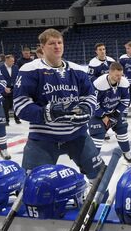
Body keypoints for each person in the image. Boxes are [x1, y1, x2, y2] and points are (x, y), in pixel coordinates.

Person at [13, 28, 103, 180]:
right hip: (43, 138)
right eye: (52, 43)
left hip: (77, 134)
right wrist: (48, 113)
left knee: (99, 176)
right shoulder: (30, 69)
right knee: (32, 184)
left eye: (60, 42)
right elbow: (20, 105)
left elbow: (90, 96)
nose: (57, 46)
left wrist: (86, 109)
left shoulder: (77, 69)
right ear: (42, 47)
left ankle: (97, 203)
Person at [89, 62, 131, 163]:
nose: (119, 77)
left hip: (114, 110)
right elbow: (93, 102)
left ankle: (126, 152)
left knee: (122, 129)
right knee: (98, 135)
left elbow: (126, 100)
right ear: (110, 73)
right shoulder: (99, 83)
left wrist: (117, 114)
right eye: (117, 75)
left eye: (121, 75)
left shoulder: (124, 82)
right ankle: (92, 160)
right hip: (98, 113)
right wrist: (103, 116)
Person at [0, 55, 20, 125]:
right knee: (6, 106)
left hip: (14, 88)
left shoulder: (16, 67)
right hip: (5, 89)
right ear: (6, 60)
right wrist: (4, 87)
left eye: (13, 61)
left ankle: (17, 118)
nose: (13, 62)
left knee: (15, 104)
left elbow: (18, 77)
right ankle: (6, 120)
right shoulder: (0, 68)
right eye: (11, 61)